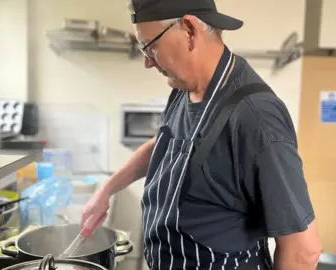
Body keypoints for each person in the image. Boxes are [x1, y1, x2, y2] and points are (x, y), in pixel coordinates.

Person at [81, 0, 322, 269]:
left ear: (189, 30)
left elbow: (303, 249)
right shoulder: (185, 87)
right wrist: (107, 190)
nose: (148, 61)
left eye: (151, 46)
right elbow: (164, 145)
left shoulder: (256, 117)